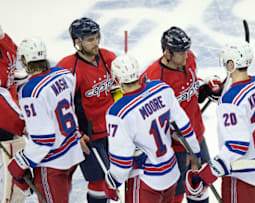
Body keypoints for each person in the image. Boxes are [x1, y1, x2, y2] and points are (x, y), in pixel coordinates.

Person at [185, 41, 255, 203]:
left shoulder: (230, 101)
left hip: (242, 176)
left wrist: (207, 175)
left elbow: (237, 146)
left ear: (230, 64)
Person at [102, 54, 201, 203]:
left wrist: (112, 183)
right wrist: (196, 154)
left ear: (117, 79)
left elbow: (122, 162)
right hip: (171, 173)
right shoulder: (162, 89)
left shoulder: (118, 113)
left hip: (145, 180)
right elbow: (184, 128)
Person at [140, 26, 221, 203]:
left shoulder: (189, 59)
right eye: (180, 52)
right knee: (176, 192)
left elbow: (190, 91)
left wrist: (206, 88)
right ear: (167, 53)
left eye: (186, 50)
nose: (186, 55)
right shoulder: (154, 77)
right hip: (174, 146)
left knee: (201, 184)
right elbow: (148, 117)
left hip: (196, 134)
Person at [7, 38, 84, 203]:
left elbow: (44, 140)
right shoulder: (64, 74)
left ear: (24, 60)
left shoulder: (30, 92)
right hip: (72, 151)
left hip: (52, 163)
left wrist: (21, 161)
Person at [56, 17, 116, 203]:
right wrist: (76, 134)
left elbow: (122, 90)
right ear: (77, 42)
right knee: (99, 182)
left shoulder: (108, 58)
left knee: (120, 177)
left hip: (114, 131)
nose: (95, 43)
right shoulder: (67, 67)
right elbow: (61, 105)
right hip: (89, 136)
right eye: (90, 39)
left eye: (97, 37)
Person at [0, 24, 26, 203]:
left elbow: (18, 75)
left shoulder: (7, 43)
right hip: (8, 119)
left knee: (15, 170)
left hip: (10, 118)